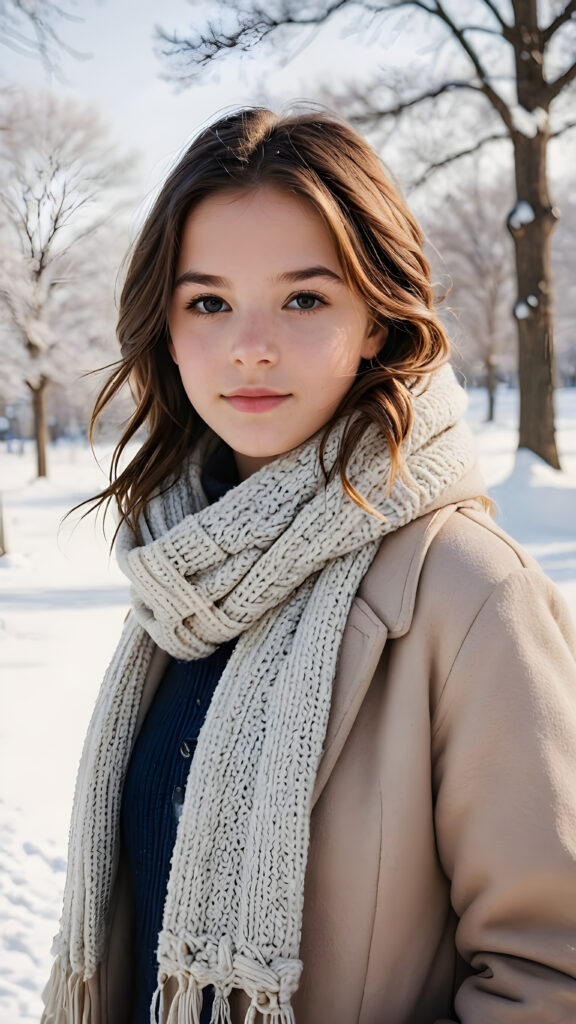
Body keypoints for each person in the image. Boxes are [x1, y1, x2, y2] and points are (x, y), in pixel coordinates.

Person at [41, 107, 576, 1024]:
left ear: (377, 318)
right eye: (208, 301)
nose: (251, 344)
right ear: (166, 330)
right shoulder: (179, 575)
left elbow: (550, 977)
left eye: (305, 298)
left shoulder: (470, 592)